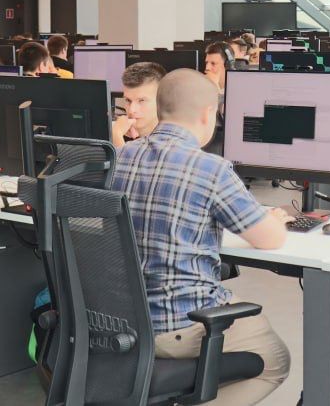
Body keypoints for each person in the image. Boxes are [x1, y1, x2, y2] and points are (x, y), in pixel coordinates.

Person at [109, 69, 292, 405]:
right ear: (209, 114)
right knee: (275, 360)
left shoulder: (119, 157)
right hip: (181, 325)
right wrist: (273, 219)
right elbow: (271, 239)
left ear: (160, 108)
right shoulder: (211, 169)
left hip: (122, 322)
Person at [111, 62, 166, 148]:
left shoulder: (168, 144)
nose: (131, 110)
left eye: (141, 100)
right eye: (128, 100)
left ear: (161, 100)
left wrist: (116, 135)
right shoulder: (121, 134)